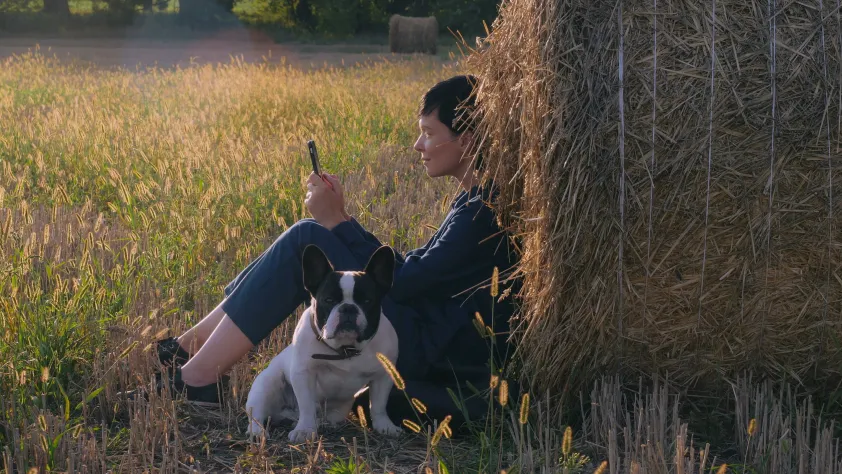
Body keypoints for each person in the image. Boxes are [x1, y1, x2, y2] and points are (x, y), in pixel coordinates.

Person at [135, 75, 520, 430]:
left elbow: (402, 283)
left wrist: (339, 224)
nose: (417, 145)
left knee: (308, 236)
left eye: (428, 133)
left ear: (466, 140)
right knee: (311, 232)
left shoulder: (482, 212)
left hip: (429, 350)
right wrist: (343, 221)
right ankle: (185, 350)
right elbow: (413, 271)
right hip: (427, 331)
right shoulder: (475, 201)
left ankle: (196, 377)